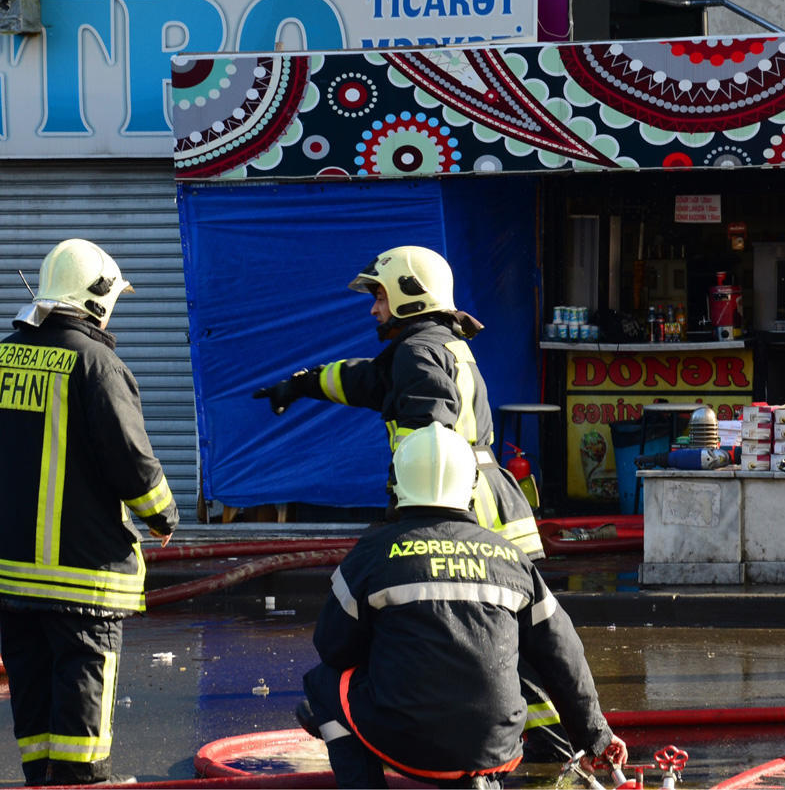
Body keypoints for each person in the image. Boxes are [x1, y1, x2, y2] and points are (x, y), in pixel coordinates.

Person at [297, 422, 628, 789]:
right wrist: (596, 736)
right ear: (471, 487)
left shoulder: (373, 554)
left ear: (396, 485)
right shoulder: (509, 557)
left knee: (321, 682)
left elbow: (331, 646)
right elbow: (562, 653)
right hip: (499, 751)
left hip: (408, 749)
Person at [0, 239, 179, 786]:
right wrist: (163, 516)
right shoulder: (99, 365)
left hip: (16, 577)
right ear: (96, 298)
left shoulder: (2, 356)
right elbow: (132, 462)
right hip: (82, 579)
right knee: (80, 714)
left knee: (35, 706)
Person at [252, 245, 543, 560]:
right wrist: (300, 385)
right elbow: (366, 381)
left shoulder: (416, 352)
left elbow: (428, 444)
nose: (373, 311)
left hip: (457, 509)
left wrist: (402, 507)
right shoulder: (437, 344)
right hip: (482, 503)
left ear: (411, 294)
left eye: (380, 297)